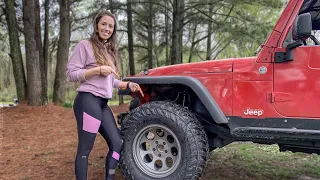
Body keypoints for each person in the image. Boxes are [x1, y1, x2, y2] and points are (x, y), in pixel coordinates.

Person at [66, 11, 144, 180]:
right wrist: (97, 70)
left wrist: (128, 85)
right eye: (104, 24)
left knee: (117, 144)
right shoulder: (84, 45)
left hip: (102, 104)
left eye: (110, 26)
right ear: (96, 25)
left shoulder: (108, 53)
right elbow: (71, 74)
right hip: (87, 101)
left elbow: (110, 82)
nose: (107, 28)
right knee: (85, 149)